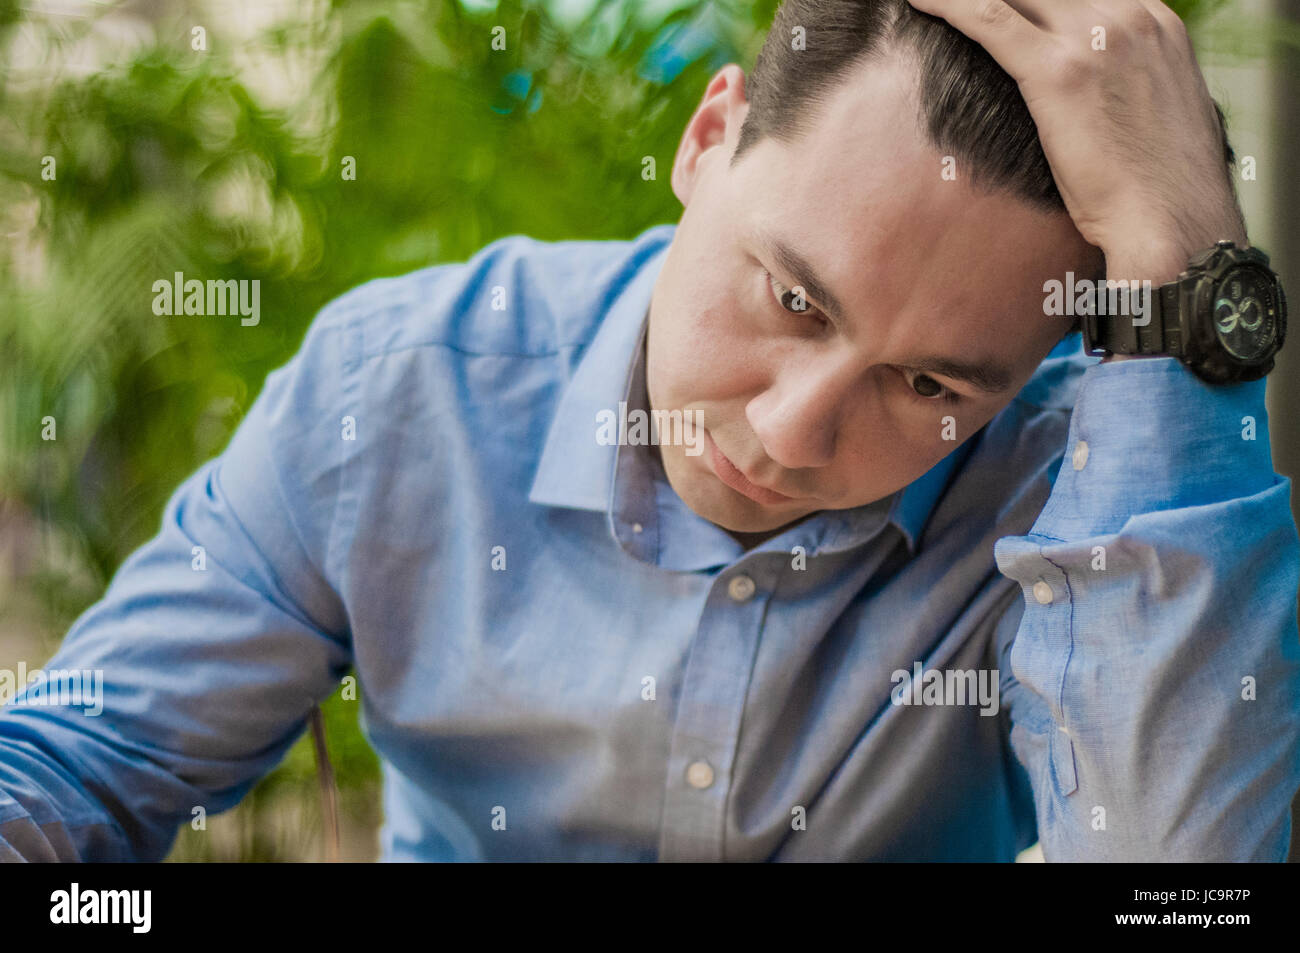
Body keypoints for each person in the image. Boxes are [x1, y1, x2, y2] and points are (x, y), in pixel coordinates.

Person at [1, 0, 1296, 862]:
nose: (790, 433)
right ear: (708, 135)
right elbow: (85, 761)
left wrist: (1185, 262)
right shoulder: (403, 395)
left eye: (928, 388)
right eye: (791, 296)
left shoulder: (1074, 490)